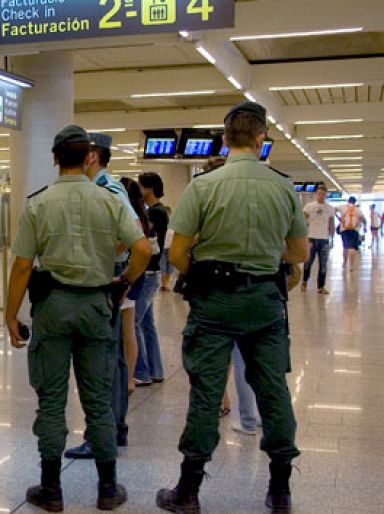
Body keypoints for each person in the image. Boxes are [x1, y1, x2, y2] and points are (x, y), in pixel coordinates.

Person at [157, 101, 308, 514]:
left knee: (206, 394)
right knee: (273, 391)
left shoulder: (204, 186)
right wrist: (273, 275)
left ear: (224, 140)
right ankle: (279, 490)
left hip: (214, 303)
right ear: (261, 140)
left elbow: (178, 251)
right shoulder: (283, 186)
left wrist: (202, 278)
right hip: (264, 303)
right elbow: (298, 252)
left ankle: (188, 492)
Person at [6, 125, 151, 512]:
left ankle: (51, 490)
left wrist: (10, 316)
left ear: (55, 158)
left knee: (51, 402)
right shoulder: (110, 201)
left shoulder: (39, 202)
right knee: (99, 400)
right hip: (95, 308)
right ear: (89, 156)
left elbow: (22, 267)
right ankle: (107, 489)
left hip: (52, 307)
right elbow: (141, 248)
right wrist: (124, 281)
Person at [64, 132, 141, 461]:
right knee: (115, 360)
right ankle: (116, 428)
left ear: (91, 157)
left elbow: (133, 232)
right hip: (112, 282)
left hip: (104, 284)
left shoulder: (106, 189)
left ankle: (103, 434)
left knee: (104, 363)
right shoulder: (110, 187)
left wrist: (107, 262)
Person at [135, 172, 168, 384]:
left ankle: (141, 371)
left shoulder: (154, 213)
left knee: (134, 323)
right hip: (153, 272)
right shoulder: (159, 211)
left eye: (141, 185)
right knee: (147, 324)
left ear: (149, 188)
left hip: (147, 273)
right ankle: (156, 370)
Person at [301, 185, 334, 294]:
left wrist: (332, 238)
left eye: (323, 194)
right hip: (311, 238)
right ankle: (304, 281)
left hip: (324, 239)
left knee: (323, 265)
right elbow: (302, 221)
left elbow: (331, 224)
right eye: (319, 194)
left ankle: (321, 286)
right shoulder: (309, 206)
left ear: (326, 195)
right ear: (316, 194)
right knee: (308, 263)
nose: (321, 196)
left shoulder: (329, 208)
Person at [337, 196, 366, 270]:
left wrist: (338, 218)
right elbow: (363, 219)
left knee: (345, 247)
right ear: (355, 202)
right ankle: (351, 265)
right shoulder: (358, 210)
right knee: (352, 248)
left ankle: (344, 263)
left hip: (344, 230)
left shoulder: (342, 207)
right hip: (354, 230)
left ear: (348, 201)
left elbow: (333, 210)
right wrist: (365, 226)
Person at [160, 206, 175, 292]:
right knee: (163, 267)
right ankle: (163, 284)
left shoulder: (173, 224)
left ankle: (166, 285)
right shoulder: (162, 224)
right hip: (163, 248)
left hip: (171, 248)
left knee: (170, 268)